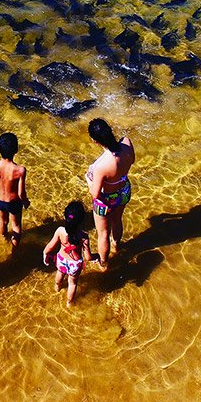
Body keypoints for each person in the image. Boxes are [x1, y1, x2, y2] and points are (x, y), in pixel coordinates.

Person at [85, 118, 135, 269]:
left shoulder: (101, 166)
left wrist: (88, 178)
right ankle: (116, 245)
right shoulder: (127, 143)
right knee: (117, 220)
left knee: (103, 233)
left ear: (94, 140)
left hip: (106, 200)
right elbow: (132, 161)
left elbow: (95, 193)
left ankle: (104, 263)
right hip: (124, 191)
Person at [0, 132, 30, 248]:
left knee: (3, 222)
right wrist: (25, 201)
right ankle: (15, 251)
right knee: (16, 225)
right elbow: (20, 193)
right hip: (14, 202)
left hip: (0, 201)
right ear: (16, 149)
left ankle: (3, 241)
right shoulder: (20, 170)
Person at [43, 201, 92, 306]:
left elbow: (50, 246)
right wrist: (96, 257)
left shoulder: (60, 231)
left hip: (61, 260)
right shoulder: (83, 236)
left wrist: (45, 254)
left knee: (60, 273)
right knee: (72, 283)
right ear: (81, 220)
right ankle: (69, 303)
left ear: (65, 216)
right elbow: (88, 257)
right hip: (74, 265)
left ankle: (57, 286)